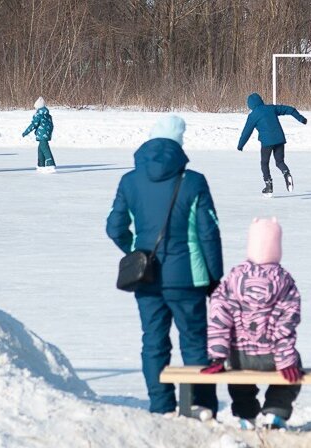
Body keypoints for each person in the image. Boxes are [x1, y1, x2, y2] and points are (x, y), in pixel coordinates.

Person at [106, 115, 224, 418]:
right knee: (195, 342)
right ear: (180, 143)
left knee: (153, 342)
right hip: (189, 279)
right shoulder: (193, 181)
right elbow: (209, 234)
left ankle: (161, 406)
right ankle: (201, 404)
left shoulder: (129, 181)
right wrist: (215, 277)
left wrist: (136, 252)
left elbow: (114, 227)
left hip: (146, 277)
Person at [201, 217, 303, 430]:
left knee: (238, 377)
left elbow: (219, 320)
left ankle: (246, 416)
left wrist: (218, 357)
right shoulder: (285, 282)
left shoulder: (232, 280)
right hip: (271, 357)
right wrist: (286, 361)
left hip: (240, 357)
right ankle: (275, 413)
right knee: (296, 365)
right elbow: (286, 326)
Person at [236, 93, 307, 197]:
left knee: (264, 163)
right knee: (280, 162)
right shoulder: (271, 108)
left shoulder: (253, 116)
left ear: (250, 105)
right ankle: (286, 173)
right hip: (279, 139)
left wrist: (240, 145)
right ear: (261, 100)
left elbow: (246, 132)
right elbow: (289, 109)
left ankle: (268, 186)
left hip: (267, 143)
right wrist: (301, 118)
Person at [22, 97, 57, 173]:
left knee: (45, 149)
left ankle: (51, 164)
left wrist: (25, 132)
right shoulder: (48, 115)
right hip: (46, 134)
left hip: (42, 135)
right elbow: (51, 126)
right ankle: (41, 165)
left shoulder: (38, 115)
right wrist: (49, 133)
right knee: (40, 150)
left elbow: (33, 125)